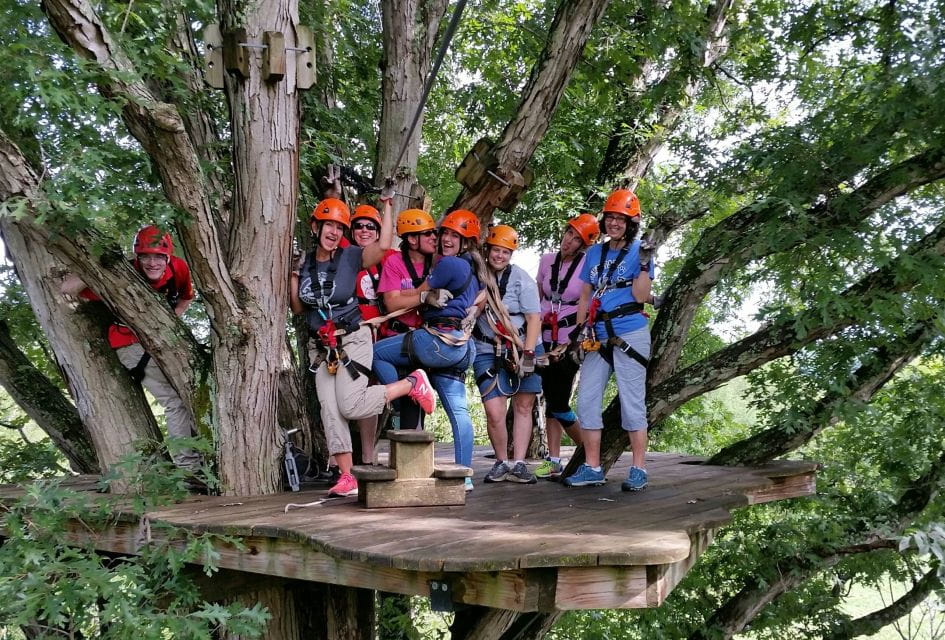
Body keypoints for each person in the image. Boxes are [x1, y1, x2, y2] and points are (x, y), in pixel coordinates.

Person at [289, 197, 436, 498]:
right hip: (324, 346)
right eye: (328, 224)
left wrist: (388, 207)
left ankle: (411, 384)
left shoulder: (351, 256)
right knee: (330, 410)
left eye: (339, 227)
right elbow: (298, 307)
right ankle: (347, 476)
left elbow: (382, 247)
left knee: (350, 405)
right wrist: (293, 274)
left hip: (353, 338)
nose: (333, 231)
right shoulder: (303, 264)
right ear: (316, 226)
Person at [60, 225, 201, 474]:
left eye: (159, 256)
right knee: (175, 402)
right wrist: (100, 265)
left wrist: (171, 320)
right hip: (130, 344)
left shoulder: (178, 268)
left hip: (165, 340)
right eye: (146, 256)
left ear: (168, 257)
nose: (152, 262)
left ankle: (202, 457)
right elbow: (68, 288)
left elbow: (186, 297)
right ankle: (189, 468)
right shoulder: (120, 273)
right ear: (137, 257)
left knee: (195, 394)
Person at [564, 189, 654, 492]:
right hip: (596, 336)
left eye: (621, 219)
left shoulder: (640, 251)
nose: (615, 223)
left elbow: (641, 296)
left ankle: (638, 469)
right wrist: (578, 332)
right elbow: (586, 294)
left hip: (629, 332)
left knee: (632, 403)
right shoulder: (595, 252)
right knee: (587, 400)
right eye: (611, 217)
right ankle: (592, 467)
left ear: (631, 223)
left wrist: (643, 264)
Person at [473, 224, 543, 485]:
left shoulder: (521, 279)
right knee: (494, 410)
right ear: (488, 250)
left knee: (524, 405)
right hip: (486, 347)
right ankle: (501, 461)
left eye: (505, 252)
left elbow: (534, 318)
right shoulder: (478, 277)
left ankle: (520, 462)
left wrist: (528, 352)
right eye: (496, 250)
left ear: (511, 254)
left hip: (521, 344)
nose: (499, 256)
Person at [533, 214, 600, 479]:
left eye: (576, 239)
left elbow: (590, 300)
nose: (568, 241)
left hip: (569, 340)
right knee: (550, 400)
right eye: (568, 234)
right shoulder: (547, 261)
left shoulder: (588, 265)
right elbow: (537, 295)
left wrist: (580, 337)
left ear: (583, 245)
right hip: (545, 335)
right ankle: (553, 459)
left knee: (559, 401)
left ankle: (590, 449)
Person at [376, 209, 438, 431]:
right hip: (395, 335)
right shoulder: (394, 262)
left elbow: (399, 299)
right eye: (428, 233)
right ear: (412, 239)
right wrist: (424, 294)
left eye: (434, 233)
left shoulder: (438, 262)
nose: (434, 237)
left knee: (412, 412)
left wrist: (407, 297)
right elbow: (392, 303)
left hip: (424, 338)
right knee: (375, 356)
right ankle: (402, 395)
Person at [350, 203, 399, 465]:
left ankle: (391, 453)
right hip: (356, 329)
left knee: (381, 387)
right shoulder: (346, 256)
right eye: (359, 225)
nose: (365, 230)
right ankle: (363, 455)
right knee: (358, 389)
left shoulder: (391, 255)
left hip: (386, 328)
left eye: (371, 226)